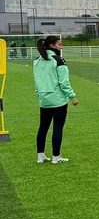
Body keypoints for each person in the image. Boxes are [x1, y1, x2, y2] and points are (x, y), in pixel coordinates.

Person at [33, 35, 79, 164]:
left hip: (44, 99)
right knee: (57, 128)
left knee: (43, 127)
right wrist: (72, 96)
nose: (61, 46)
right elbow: (64, 83)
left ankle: (40, 156)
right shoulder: (58, 60)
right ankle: (56, 157)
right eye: (59, 44)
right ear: (52, 46)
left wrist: (39, 94)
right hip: (58, 100)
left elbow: (37, 81)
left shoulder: (37, 60)